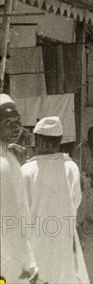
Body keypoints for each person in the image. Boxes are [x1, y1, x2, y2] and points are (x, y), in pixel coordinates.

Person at [21, 116, 89, 284]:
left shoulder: (27, 170)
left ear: (42, 142)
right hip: (63, 240)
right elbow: (76, 201)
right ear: (58, 142)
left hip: (36, 240)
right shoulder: (71, 167)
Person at [0, 94, 44, 284]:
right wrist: (29, 263)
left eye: (18, 122)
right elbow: (13, 218)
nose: (16, 128)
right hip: (9, 256)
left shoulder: (7, 154)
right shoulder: (3, 164)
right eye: (8, 123)